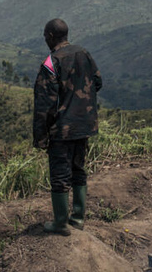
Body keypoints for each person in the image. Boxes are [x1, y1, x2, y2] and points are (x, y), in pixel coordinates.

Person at [33, 18, 102, 235]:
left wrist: (41, 137)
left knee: (60, 176)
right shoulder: (84, 54)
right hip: (84, 125)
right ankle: (78, 217)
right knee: (78, 170)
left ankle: (61, 223)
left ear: (51, 36)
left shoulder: (52, 62)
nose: (45, 39)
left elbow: (44, 103)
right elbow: (98, 82)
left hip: (62, 129)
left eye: (46, 36)